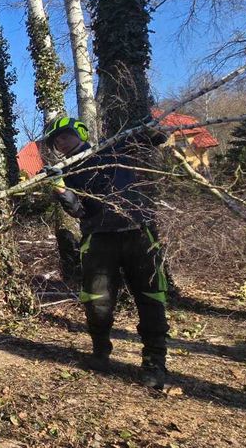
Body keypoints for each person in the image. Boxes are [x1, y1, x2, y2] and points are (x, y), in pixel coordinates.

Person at [39, 116, 170, 390]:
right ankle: (100, 352)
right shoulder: (68, 169)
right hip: (98, 239)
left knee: (150, 297)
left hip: (138, 232)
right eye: (56, 141)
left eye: (64, 135)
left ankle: (155, 363)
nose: (60, 142)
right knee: (96, 300)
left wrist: (147, 126)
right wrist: (60, 187)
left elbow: (157, 136)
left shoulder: (113, 148)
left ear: (79, 132)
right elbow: (78, 210)